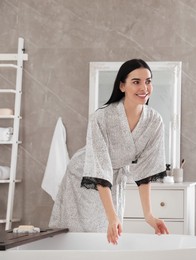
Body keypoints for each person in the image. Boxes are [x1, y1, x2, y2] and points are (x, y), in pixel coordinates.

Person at [49, 59, 169, 244]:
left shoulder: (154, 122)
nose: (144, 87)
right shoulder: (102, 117)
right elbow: (99, 168)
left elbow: (145, 173)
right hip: (84, 175)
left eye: (148, 81)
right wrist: (112, 216)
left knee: (110, 235)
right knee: (85, 235)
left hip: (114, 179)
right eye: (136, 82)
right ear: (122, 86)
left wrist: (149, 215)